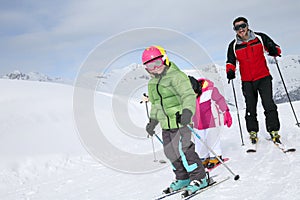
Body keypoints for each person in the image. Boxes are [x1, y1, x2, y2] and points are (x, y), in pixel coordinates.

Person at [142, 45, 208, 194]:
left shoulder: (177, 76)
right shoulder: (152, 83)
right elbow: (156, 105)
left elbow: (188, 95)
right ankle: (183, 177)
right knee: (170, 151)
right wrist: (153, 122)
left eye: (157, 63)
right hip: (166, 124)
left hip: (181, 120)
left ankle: (200, 177)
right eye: (149, 66)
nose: (154, 68)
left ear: (164, 60)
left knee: (184, 149)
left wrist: (186, 112)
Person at [226, 16, 282, 144]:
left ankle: (273, 130)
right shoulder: (234, 45)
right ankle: (252, 131)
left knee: (268, 104)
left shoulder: (260, 38)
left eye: (243, 26)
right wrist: (230, 71)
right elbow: (230, 61)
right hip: (247, 81)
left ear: (247, 26)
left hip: (263, 77)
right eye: (237, 28)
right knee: (250, 107)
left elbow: (276, 49)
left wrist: (274, 50)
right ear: (234, 30)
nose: (241, 29)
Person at [189, 76, 232, 169]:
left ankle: (216, 156)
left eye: (194, 93)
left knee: (212, 138)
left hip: (210, 121)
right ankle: (203, 158)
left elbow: (220, 100)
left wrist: (226, 112)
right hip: (197, 123)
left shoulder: (209, 90)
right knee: (200, 140)